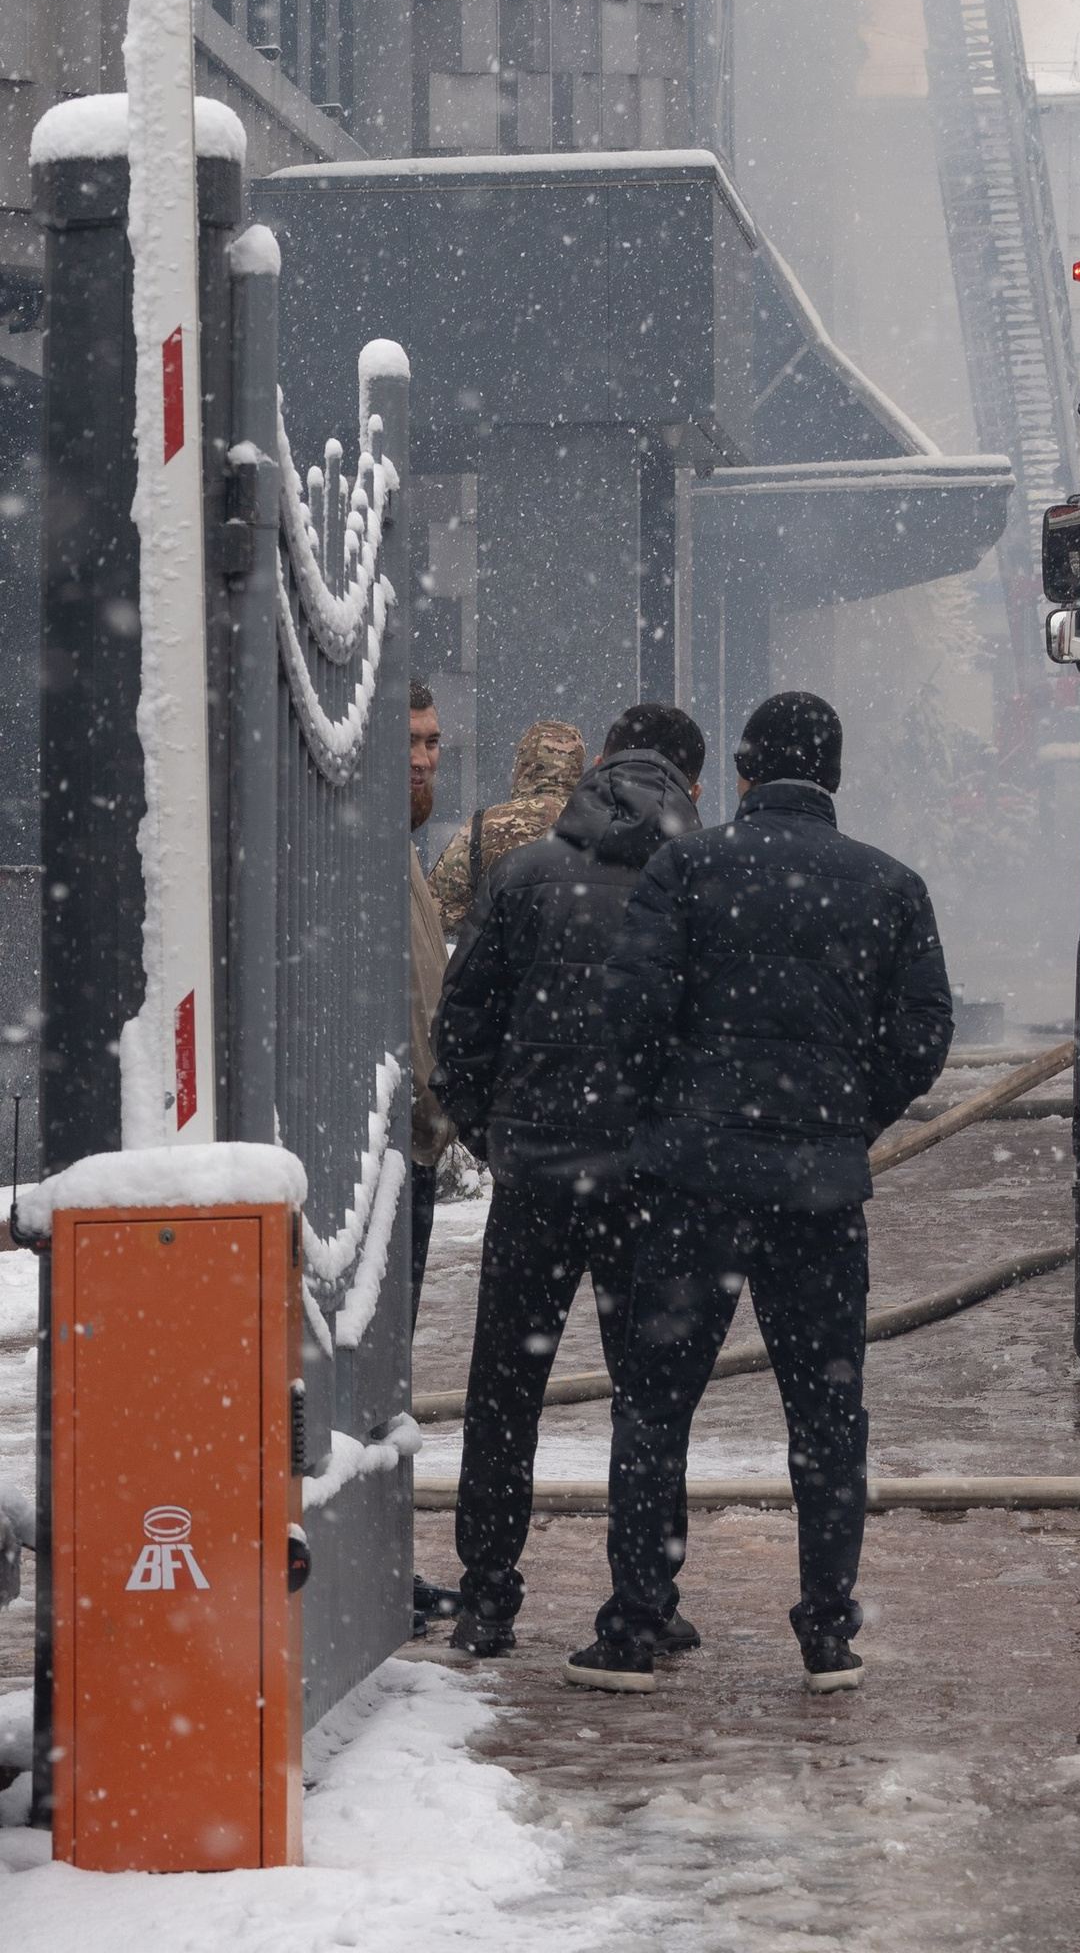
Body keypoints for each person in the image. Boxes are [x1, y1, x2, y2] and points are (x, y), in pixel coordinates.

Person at [577, 689, 953, 1694]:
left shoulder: (687, 867)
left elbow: (632, 1011)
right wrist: (842, 1114)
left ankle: (635, 1625)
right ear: (833, 774)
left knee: (655, 1406)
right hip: (819, 1194)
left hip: (691, 1185)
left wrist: (677, 1110)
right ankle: (826, 1630)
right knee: (827, 1417)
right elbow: (923, 1036)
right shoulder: (888, 885)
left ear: (741, 774)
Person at [429, 703, 707, 1661]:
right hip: (651, 1184)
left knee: (503, 1390)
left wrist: (494, 1133)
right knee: (651, 1395)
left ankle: (487, 1598)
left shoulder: (523, 872)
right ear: (691, 785)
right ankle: (644, 1596)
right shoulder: (696, 883)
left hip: (538, 1174)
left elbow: (461, 1024)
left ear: (600, 766)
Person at [408, 678, 462, 1633]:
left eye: (433, 743)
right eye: (411, 743)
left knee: (386, 1383)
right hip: (369, 1157)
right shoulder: (356, 857)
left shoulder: (415, 857)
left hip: (402, 1149)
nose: (426, 758)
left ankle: (372, 1556)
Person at [429, 718, 588, 940]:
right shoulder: (604, 823)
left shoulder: (483, 825)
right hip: (586, 967)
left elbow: (438, 911)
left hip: (500, 964)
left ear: (524, 763)